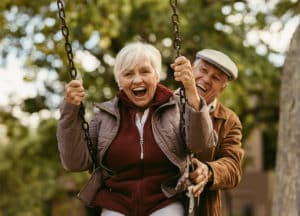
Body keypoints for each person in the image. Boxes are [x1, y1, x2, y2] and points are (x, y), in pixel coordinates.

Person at [57, 42, 216, 216]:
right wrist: (70, 110)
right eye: (128, 74)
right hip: (116, 203)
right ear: (120, 81)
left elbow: (200, 144)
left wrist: (191, 91)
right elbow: (75, 163)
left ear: (157, 75)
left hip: (165, 200)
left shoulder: (176, 108)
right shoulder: (104, 116)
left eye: (145, 71)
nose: (137, 80)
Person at [171, 49, 244, 215]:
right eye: (203, 70)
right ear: (191, 69)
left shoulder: (229, 120)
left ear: (222, 88)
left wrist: (209, 171)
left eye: (216, 78)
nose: (206, 79)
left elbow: (233, 167)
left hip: (201, 209)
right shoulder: (162, 103)